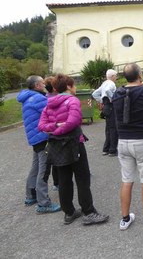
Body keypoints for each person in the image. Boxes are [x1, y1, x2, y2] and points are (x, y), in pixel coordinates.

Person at [38, 74, 109, 224]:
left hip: (56, 145)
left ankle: (69, 212)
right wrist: (58, 127)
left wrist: (54, 129)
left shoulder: (48, 104)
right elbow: (74, 121)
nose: (75, 88)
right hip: (73, 143)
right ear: (69, 86)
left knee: (64, 179)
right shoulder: (72, 100)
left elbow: (42, 126)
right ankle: (88, 212)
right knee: (82, 178)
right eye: (74, 85)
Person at [112, 63, 143, 232]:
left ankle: (125, 218)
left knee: (126, 180)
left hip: (123, 141)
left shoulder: (116, 94)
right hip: (142, 140)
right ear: (140, 75)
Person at [17, 75, 61, 214]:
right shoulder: (37, 98)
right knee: (44, 170)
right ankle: (43, 203)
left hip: (35, 138)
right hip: (42, 137)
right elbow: (52, 112)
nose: (44, 85)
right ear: (37, 86)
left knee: (35, 167)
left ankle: (31, 196)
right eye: (42, 83)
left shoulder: (28, 97)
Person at [92, 69, 118, 156]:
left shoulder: (104, 83)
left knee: (108, 129)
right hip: (111, 106)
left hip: (106, 107)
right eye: (116, 76)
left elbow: (95, 94)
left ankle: (106, 149)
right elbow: (107, 91)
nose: (116, 77)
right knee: (113, 128)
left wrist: (101, 101)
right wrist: (112, 98)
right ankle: (112, 150)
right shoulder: (111, 83)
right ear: (112, 76)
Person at [43, 76, 59, 191]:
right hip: (56, 131)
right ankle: (58, 182)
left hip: (49, 131)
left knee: (53, 157)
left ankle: (56, 183)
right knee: (58, 158)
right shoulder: (56, 99)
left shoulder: (45, 98)